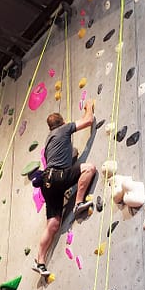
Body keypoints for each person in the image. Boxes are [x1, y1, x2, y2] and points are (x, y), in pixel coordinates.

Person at [32, 100, 96, 276]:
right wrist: (88, 107)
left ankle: (41, 260)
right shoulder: (64, 129)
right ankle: (78, 203)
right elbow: (88, 120)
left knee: (53, 224)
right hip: (58, 176)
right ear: (62, 122)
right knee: (89, 168)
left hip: (48, 182)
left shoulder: (49, 141)